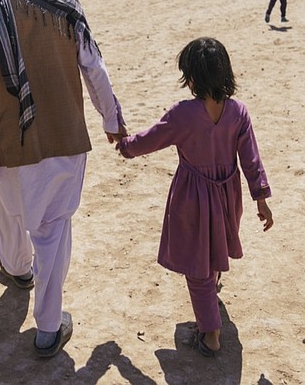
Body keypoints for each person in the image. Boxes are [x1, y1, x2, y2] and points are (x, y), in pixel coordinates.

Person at [0, 0, 127, 358]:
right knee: (52, 229)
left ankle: (17, 271)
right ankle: (48, 329)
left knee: (10, 211)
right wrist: (111, 118)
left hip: (6, 140)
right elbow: (94, 66)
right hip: (64, 138)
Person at [115, 37, 273, 357]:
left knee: (196, 266)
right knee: (213, 250)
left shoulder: (184, 114)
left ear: (192, 78)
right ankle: (211, 298)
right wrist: (261, 198)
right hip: (228, 196)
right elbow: (251, 160)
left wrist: (125, 145)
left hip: (192, 199)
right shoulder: (238, 112)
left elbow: (150, 140)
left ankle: (210, 333)